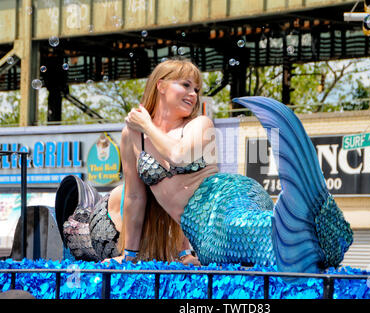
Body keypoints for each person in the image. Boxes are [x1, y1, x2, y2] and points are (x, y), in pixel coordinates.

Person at [57, 58, 353, 275]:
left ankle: (308, 235)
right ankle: (305, 240)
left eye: (196, 88)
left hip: (224, 198)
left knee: (244, 233)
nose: (193, 94)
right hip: (201, 224)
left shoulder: (201, 124)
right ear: (160, 86)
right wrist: (129, 255)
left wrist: (147, 124)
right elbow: (136, 198)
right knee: (231, 249)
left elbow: (179, 156)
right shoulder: (132, 135)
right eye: (185, 85)